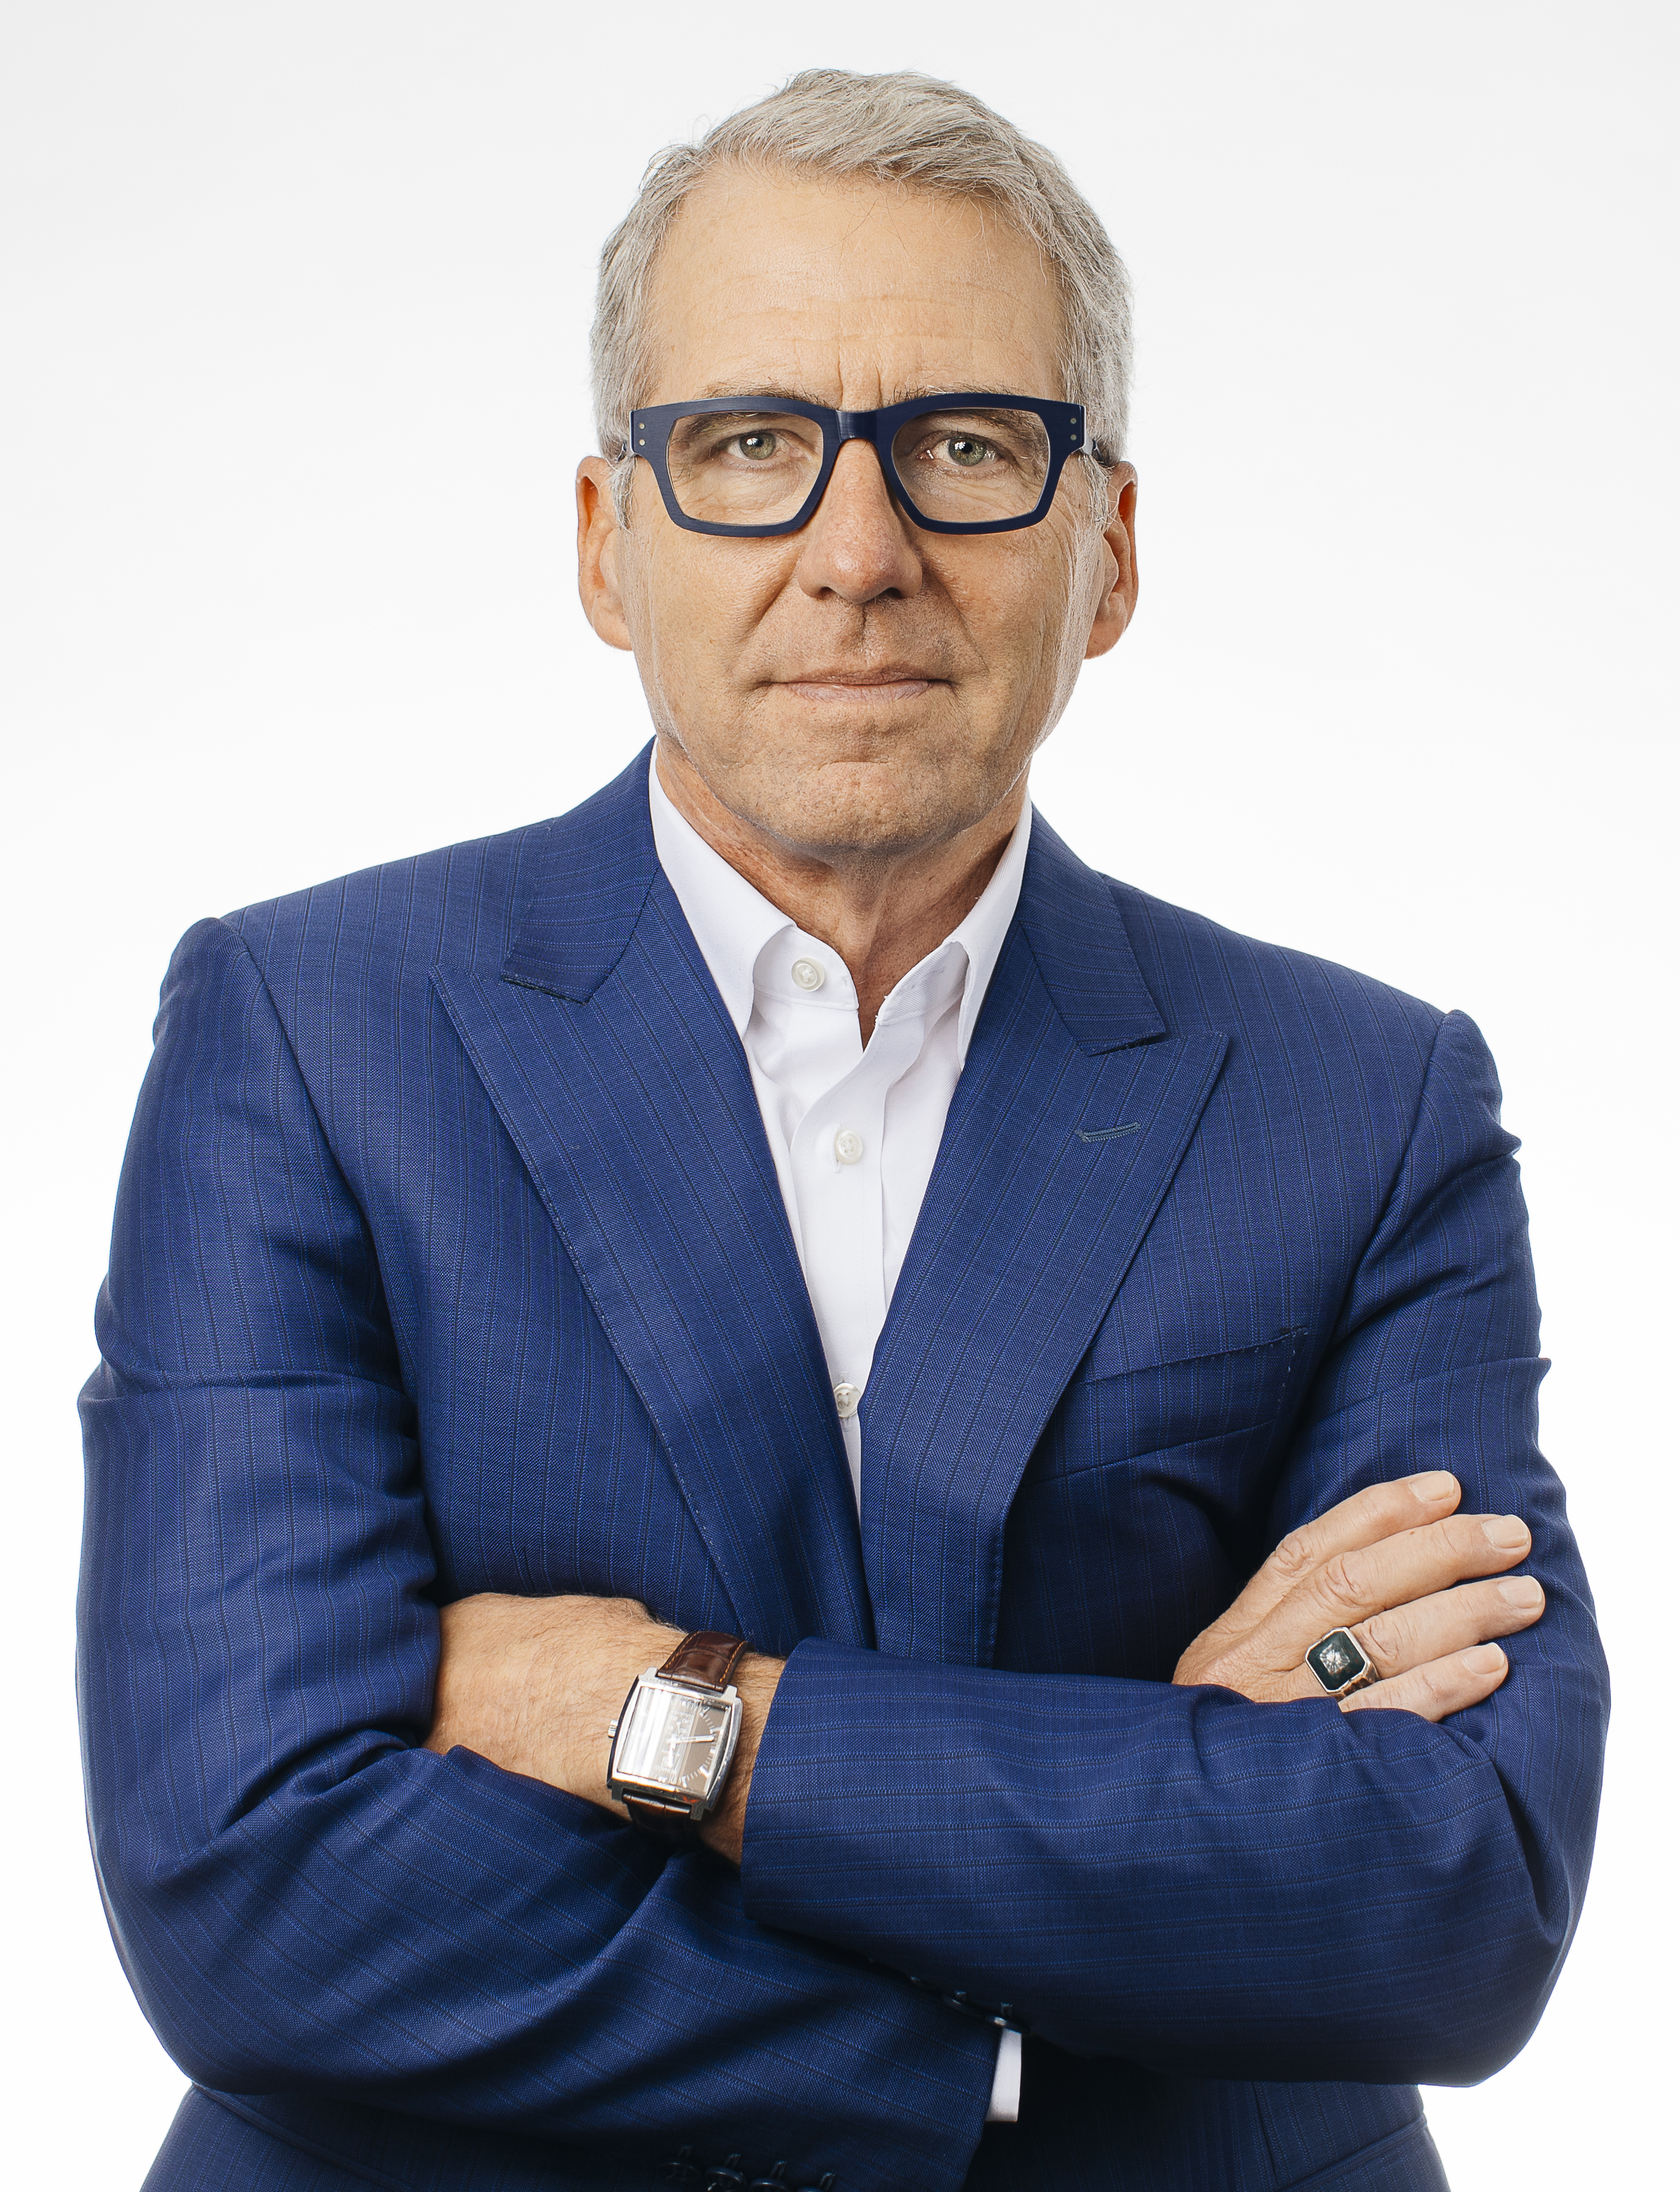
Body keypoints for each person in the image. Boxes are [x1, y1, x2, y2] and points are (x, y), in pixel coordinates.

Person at [79, 69, 1607, 2192]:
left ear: (1112, 547)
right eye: (748, 447)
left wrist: (649, 1717)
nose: (858, 553)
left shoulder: (1362, 1102)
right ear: (611, 544)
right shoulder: (308, 1033)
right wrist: (1094, 1913)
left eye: (966, 447)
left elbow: (1453, 1891)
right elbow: (252, 1886)